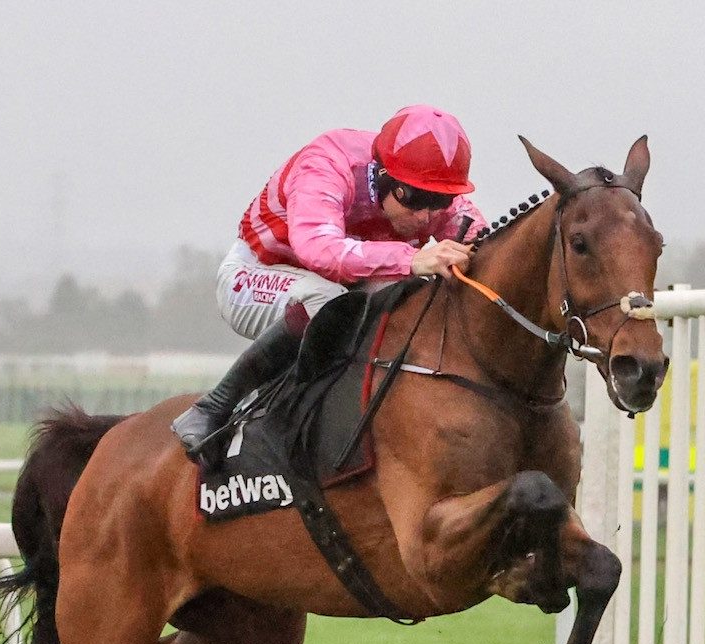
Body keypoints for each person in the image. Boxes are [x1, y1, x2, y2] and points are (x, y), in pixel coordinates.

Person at [171, 104, 487, 466]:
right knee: (329, 298)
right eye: (414, 199)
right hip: (256, 276)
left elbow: (484, 243)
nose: (426, 217)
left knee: (412, 296)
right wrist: (413, 259)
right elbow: (319, 251)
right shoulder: (326, 165)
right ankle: (213, 407)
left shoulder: (425, 182)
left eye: (440, 202)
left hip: (344, 285)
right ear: (381, 174)